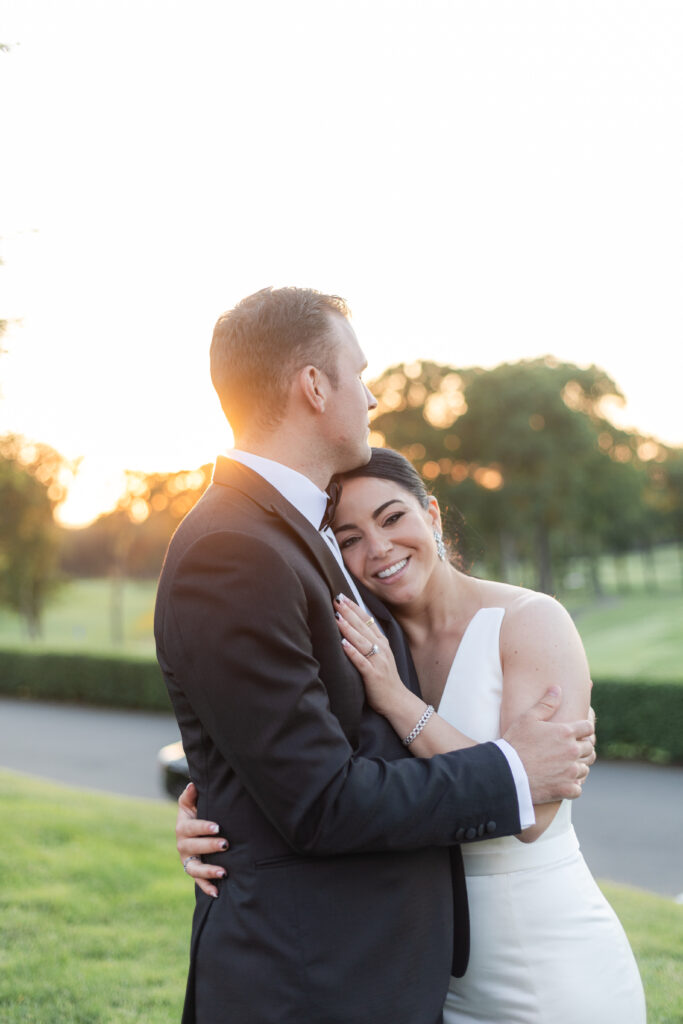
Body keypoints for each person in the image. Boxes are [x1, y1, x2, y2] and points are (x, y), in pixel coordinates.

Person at [155, 286, 596, 1024]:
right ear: (314, 387)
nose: (369, 396)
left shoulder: (299, 533)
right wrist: (513, 771)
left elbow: (296, 734)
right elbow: (318, 801)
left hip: (376, 967)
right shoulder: (233, 550)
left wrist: (231, 799)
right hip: (312, 979)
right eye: (359, 374)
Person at [178, 446, 645, 1023]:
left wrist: (398, 700)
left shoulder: (531, 622)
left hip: (543, 961)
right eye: (349, 538)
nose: (378, 549)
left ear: (434, 515)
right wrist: (215, 827)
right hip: (421, 974)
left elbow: (533, 809)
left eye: (393, 517)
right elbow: (313, 776)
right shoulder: (359, 643)